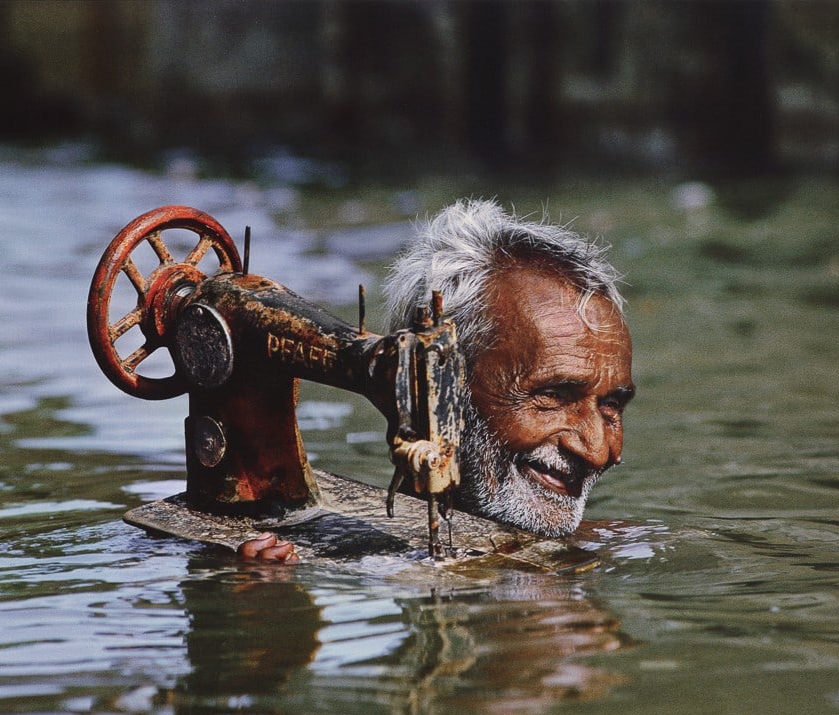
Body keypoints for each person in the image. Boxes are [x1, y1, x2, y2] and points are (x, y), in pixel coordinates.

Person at [242, 199, 633, 560]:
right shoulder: (290, 561)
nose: (599, 452)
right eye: (553, 396)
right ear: (440, 385)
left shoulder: (619, 546)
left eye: (612, 405)